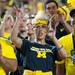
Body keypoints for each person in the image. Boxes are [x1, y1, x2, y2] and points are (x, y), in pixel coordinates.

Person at [11, 10, 67, 75]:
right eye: (37, 27)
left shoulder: (52, 48)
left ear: (47, 30)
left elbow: (64, 56)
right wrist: (18, 19)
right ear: (33, 29)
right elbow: (14, 39)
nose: (40, 29)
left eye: (43, 27)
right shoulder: (27, 44)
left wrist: (53, 37)